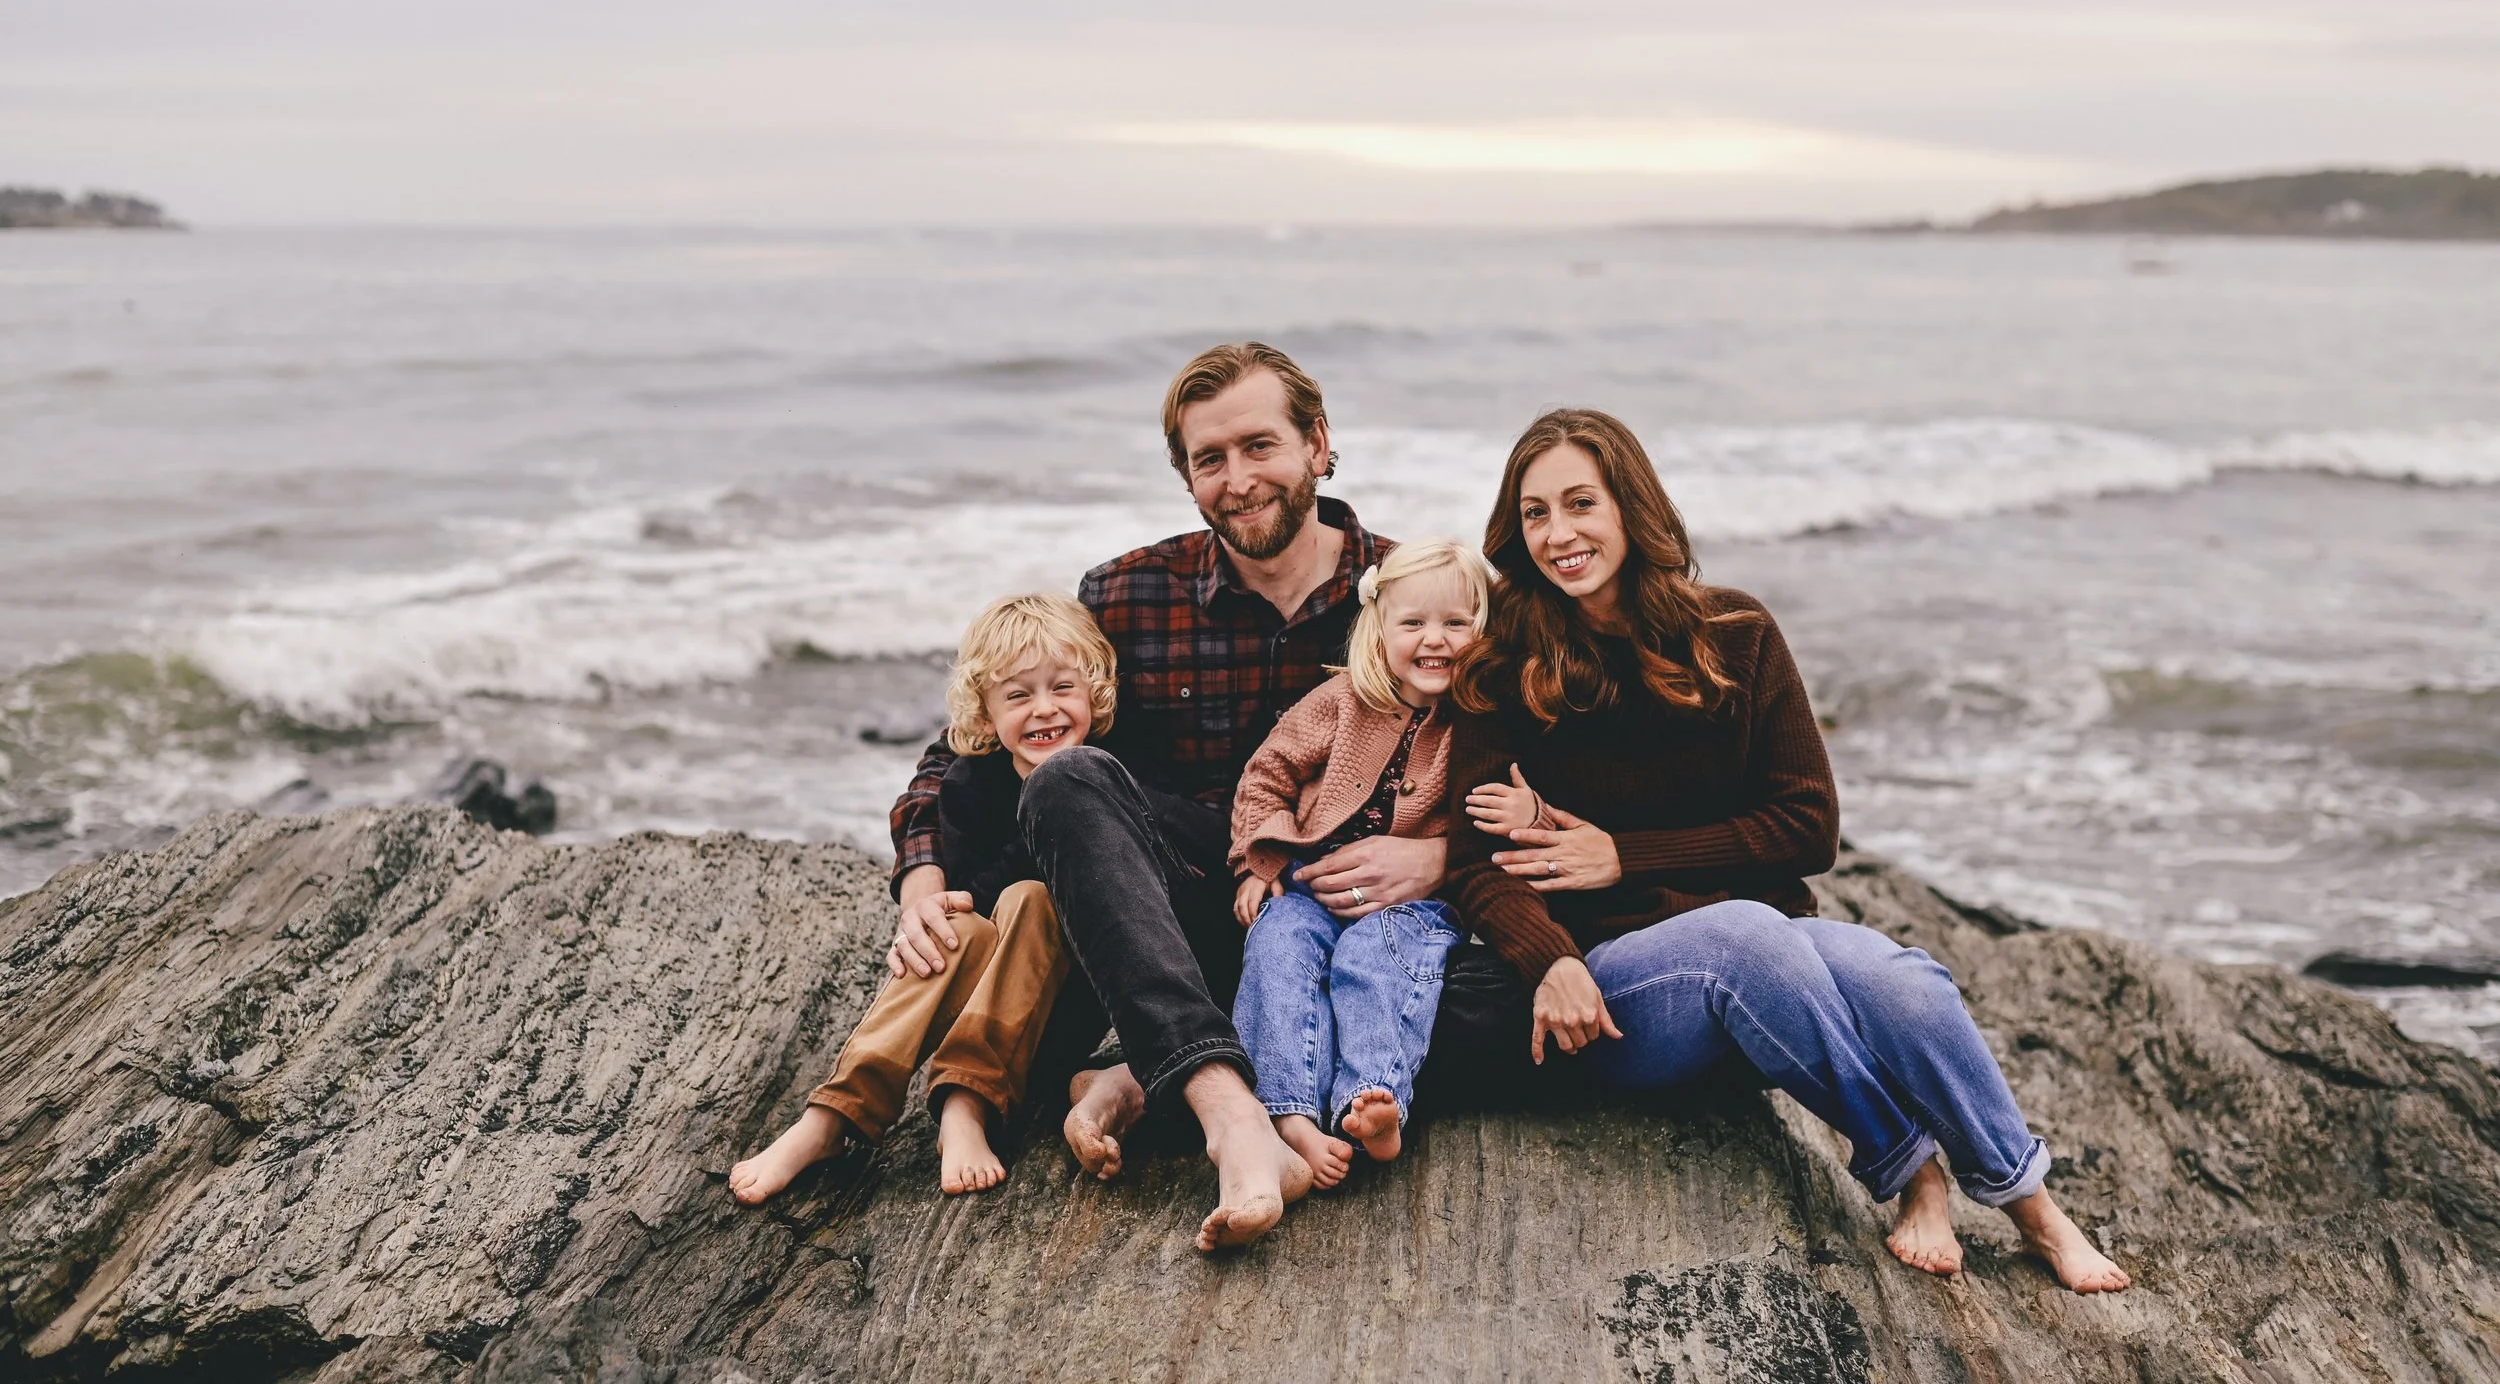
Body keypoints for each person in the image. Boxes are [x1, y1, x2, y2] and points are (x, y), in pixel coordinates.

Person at [1445, 409, 2131, 1295]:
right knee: (1746, 935)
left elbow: (1808, 824)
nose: (1557, 533)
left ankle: (2034, 1207)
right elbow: (1471, 862)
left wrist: (1627, 853)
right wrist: (1548, 960)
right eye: (1534, 512)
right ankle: (1910, 1166)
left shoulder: (1734, 633)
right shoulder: (1506, 662)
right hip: (1622, 992)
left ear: (1632, 507)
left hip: (1769, 973)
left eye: (1581, 502)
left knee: (1900, 976)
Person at [886, 342, 1539, 1251]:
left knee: (1519, 1007)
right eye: (1210, 459)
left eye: (1260, 446)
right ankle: (1234, 1117)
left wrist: (1441, 856)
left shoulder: (1417, 597)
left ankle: (1140, 1078)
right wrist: (922, 880)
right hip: (1184, 922)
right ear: (1187, 477)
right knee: (1071, 778)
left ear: (1318, 444)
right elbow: (969, 746)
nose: (1238, 479)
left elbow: (1539, 757)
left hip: (1364, 931)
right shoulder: (1127, 593)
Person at [729, 593, 1106, 1203]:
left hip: (1054, 1007)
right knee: (952, 925)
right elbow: (966, 897)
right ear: (984, 716)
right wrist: (932, 908)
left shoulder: (1105, 773)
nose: (1045, 710)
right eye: (1018, 696)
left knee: (1033, 898)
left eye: (1063, 688)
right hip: (975, 990)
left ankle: (965, 1104)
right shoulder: (970, 785)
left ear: (1093, 691)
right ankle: (831, 1116)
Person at [1229, 538, 1491, 1186]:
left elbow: (1500, 810)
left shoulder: (1482, 718)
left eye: (1457, 622)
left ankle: (1371, 1101)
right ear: (1379, 627)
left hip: (1417, 904)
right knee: (1277, 944)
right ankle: (1288, 1109)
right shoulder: (1342, 700)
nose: (1436, 638)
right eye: (1414, 623)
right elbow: (1268, 772)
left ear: (1486, 630)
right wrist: (1257, 862)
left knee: (1374, 956)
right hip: (1313, 884)